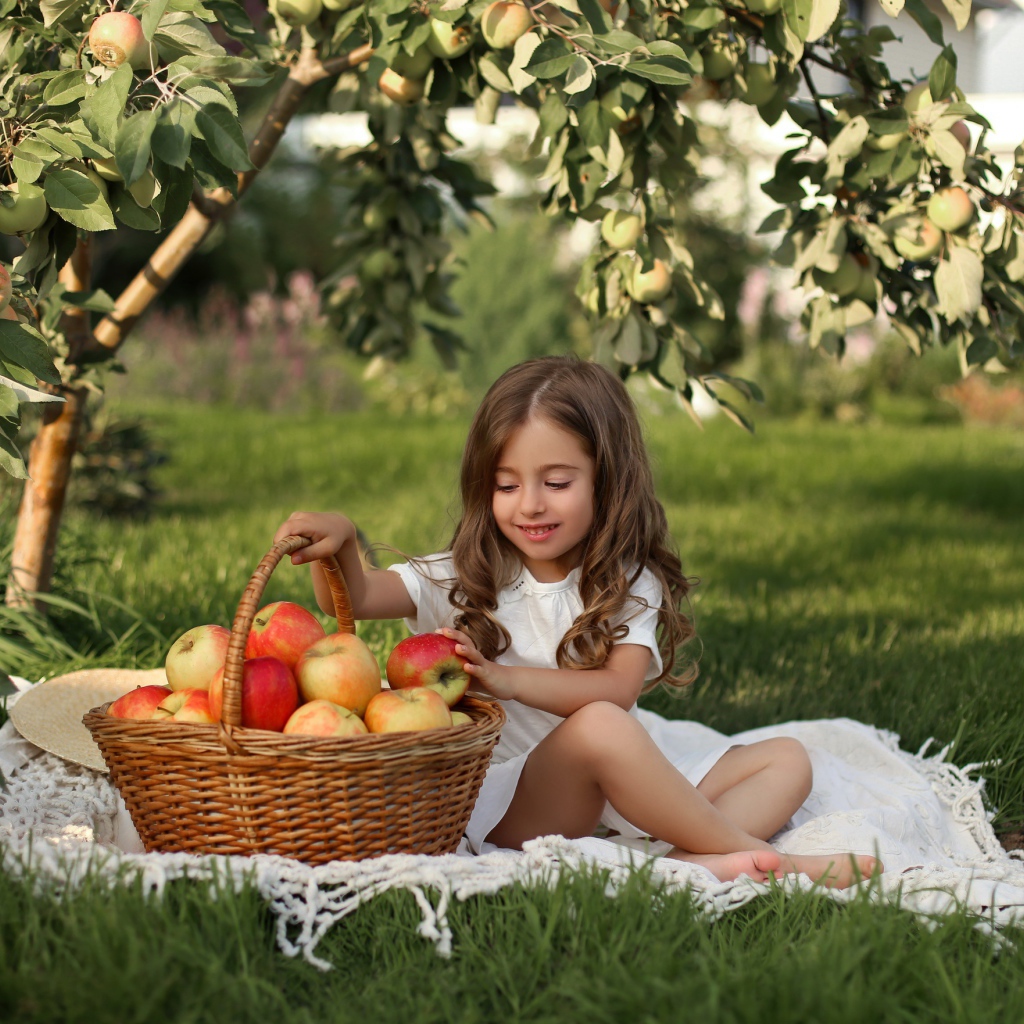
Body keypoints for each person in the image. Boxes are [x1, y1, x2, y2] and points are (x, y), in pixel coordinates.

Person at [274, 356, 881, 887]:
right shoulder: (465, 573)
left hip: (611, 783)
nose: (530, 504)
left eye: (557, 482)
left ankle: (684, 860)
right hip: (513, 800)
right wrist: (343, 542)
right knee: (599, 728)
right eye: (506, 485)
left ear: (605, 481)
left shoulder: (626, 579)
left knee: (788, 759)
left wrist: (510, 681)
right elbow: (353, 598)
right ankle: (755, 856)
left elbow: (619, 689)